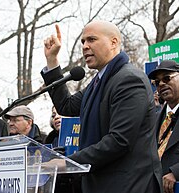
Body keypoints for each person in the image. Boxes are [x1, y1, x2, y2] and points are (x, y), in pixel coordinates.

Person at [40, 20, 162, 193]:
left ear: (113, 42)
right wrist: (52, 60)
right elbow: (67, 106)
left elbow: (119, 140)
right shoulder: (98, 82)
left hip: (128, 186)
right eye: (83, 41)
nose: (85, 46)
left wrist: (68, 162)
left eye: (91, 39)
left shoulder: (129, 80)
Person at [148, 60, 179, 193]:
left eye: (167, 78)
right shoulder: (153, 118)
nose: (161, 84)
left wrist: (176, 172)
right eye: (157, 81)